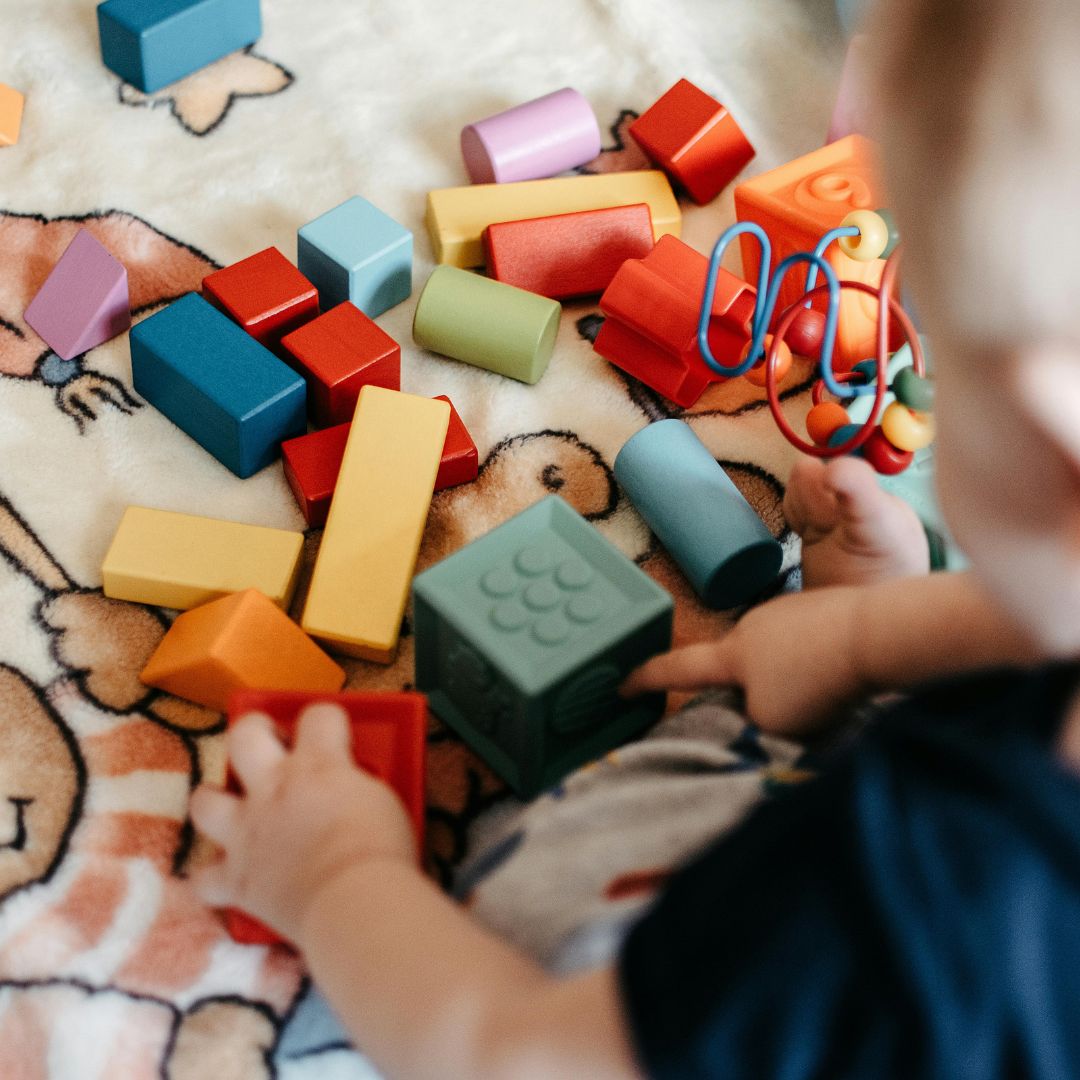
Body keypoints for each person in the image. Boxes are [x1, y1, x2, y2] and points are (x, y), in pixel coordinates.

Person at [188, 0, 1080, 1074]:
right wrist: (858, 640)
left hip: (629, 1014)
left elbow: (516, 1057)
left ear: (1047, 448)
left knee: (506, 936)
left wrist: (334, 878)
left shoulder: (897, 928)